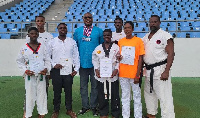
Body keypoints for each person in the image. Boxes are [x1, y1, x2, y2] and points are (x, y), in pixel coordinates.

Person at [143, 15, 175, 118]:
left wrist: (166, 71)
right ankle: (151, 114)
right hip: (148, 70)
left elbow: (171, 54)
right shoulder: (145, 38)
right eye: (151, 22)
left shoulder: (165, 35)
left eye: (155, 22)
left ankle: (168, 116)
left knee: (164, 96)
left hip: (160, 69)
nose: (153, 23)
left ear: (159, 23)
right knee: (149, 94)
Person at [73, 12, 104, 116]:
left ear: (92, 19)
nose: (87, 19)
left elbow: (102, 47)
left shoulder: (99, 31)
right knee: (83, 86)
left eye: (89, 17)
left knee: (95, 86)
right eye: (86, 17)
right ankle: (85, 106)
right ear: (83, 19)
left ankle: (94, 106)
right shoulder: (77, 31)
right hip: (82, 64)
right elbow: (75, 48)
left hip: (95, 65)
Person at [16, 27, 51, 118]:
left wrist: (46, 69)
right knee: (29, 94)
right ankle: (28, 114)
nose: (34, 35)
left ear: (38, 35)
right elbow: (19, 61)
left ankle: (41, 113)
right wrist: (25, 70)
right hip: (30, 75)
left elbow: (47, 60)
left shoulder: (42, 47)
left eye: (35, 33)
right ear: (28, 35)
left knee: (42, 94)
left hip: (41, 75)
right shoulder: (24, 48)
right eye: (32, 33)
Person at [23, 15, 54, 118]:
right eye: (38, 21)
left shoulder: (49, 36)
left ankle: (42, 111)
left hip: (43, 69)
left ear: (44, 22)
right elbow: (26, 52)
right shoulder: (29, 37)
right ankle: (27, 111)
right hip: (31, 70)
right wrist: (26, 69)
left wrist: (47, 69)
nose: (39, 22)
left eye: (41, 21)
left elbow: (49, 54)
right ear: (36, 22)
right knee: (29, 92)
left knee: (43, 91)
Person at [48, 23, 80, 118]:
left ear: (67, 30)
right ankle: (56, 110)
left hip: (68, 71)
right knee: (56, 91)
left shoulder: (72, 42)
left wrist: (76, 69)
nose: (62, 29)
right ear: (57, 29)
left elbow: (76, 56)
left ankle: (69, 109)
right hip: (56, 71)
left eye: (64, 28)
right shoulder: (52, 42)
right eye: (60, 28)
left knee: (68, 91)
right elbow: (47, 56)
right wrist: (54, 65)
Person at [117, 21, 145, 118]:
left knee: (136, 96)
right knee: (125, 96)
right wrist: (119, 57)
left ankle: (138, 116)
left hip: (134, 74)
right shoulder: (121, 41)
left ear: (132, 29)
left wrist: (138, 74)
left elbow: (141, 58)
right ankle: (126, 116)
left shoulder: (138, 41)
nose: (127, 30)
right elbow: (119, 56)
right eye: (125, 28)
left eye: (129, 28)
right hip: (123, 73)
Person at [92, 29, 120, 118]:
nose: (106, 37)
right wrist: (96, 69)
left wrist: (116, 69)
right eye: (105, 35)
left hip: (113, 75)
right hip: (102, 76)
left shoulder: (116, 47)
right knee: (102, 95)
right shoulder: (98, 48)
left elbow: (119, 60)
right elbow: (94, 59)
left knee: (115, 94)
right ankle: (103, 112)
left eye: (108, 35)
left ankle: (115, 113)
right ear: (103, 36)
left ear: (111, 36)